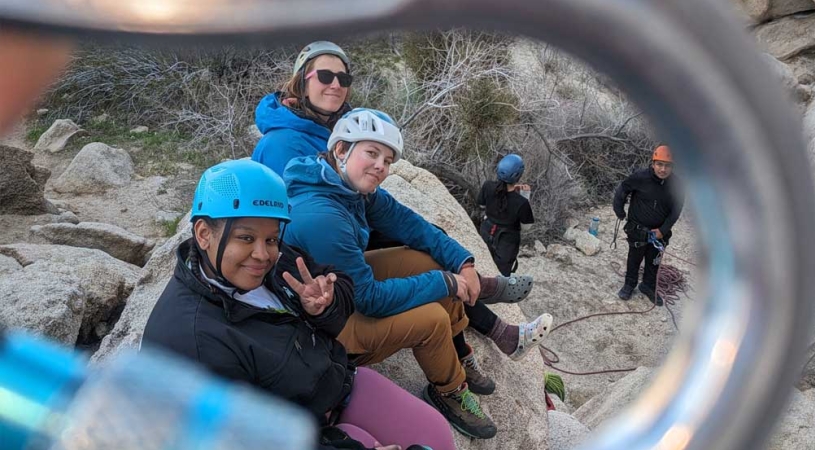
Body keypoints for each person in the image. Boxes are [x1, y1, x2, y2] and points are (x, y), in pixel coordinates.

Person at [141, 159, 455, 450]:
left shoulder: (275, 262)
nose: (262, 254)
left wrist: (325, 306)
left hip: (337, 384)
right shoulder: (191, 340)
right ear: (204, 233)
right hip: (297, 432)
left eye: (271, 239)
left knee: (438, 438)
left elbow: (338, 283)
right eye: (246, 238)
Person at [282, 109, 554, 440]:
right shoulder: (322, 216)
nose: (381, 166)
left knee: (428, 261)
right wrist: (446, 283)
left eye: (387, 159)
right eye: (371, 153)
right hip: (325, 326)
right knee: (431, 319)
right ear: (341, 149)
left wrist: (464, 265)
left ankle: (455, 354)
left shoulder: (344, 185)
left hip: (341, 289)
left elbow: (411, 225)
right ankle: (449, 390)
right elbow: (370, 301)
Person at [252, 41, 353, 177]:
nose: (336, 85)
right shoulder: (282, 144)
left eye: (343, 78)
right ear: (302, 85)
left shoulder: (345, 136)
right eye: (325, 76)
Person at [612, 144, 684, 306]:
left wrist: (663, 230)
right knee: (634, 258)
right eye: (659, 164)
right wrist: (619, 211)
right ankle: (629, 284)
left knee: (653, 261)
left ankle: (648, 286)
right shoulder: (640, 177)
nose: (663, 169)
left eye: (667, 166)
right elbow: (623, 189)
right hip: (637, 229)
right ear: (653, 163)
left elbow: (676, 211)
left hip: (660, 233)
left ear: (672, 167)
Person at [477, 153, 535, 276]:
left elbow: (482, 205)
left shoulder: (487, 186)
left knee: (481, 268)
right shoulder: (521, 202)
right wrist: (525, 195)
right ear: (518, 175)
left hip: (486, 232)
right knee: (500, 277)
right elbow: (526, 226)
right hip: (506, 242)